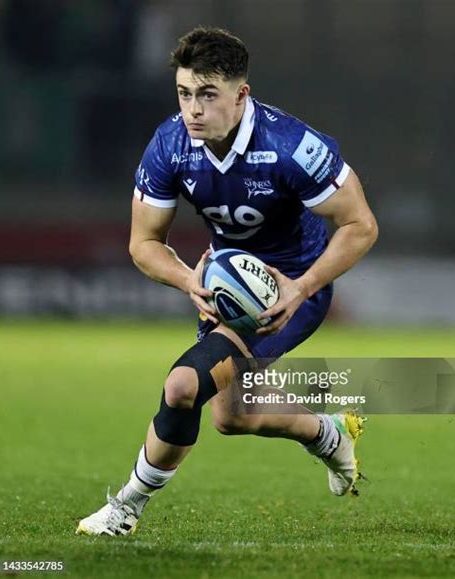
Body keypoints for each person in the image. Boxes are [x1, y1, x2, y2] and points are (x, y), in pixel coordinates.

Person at [77, 26, 378, 536]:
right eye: (184, 93)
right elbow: (143, 243)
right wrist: (186, 280)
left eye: (207, 95)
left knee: (181, 387)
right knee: (231, 416)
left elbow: (361, 226)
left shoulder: (291, 147)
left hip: (290, 293)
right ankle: (329, 435)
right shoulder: (171, 145)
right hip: (226, 288)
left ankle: (125, 508)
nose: (193, 109)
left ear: (241, 95)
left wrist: (301, 286)